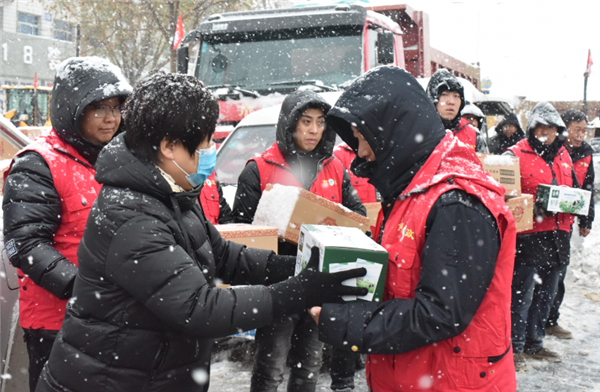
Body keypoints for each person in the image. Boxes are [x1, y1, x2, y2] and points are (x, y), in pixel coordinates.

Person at [34, 72, 367, 392]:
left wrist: (296, 267)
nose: (210, 151)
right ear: (168, 147)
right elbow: (200, 308)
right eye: (206, 141)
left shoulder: (171, 191)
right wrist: (296, 291)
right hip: (113, 380)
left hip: (152, 374)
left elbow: (223, 254)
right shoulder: (132, 215)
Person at [313, 66, 517, 391]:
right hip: (413, 376)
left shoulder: (456, 202)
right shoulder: (410, 191)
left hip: (449, 381)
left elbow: (439, 312)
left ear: (394, 132)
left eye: (365, 140)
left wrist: (345, 322)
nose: (361, 153)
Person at [2, 57, 132, 392]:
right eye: (99, 107)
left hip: (114, 321)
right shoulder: (37, 165)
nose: (111, 118)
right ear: (73, 108)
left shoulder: (115, 159)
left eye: (116, 107)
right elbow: (25, 245)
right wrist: (84, 288)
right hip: (57, 326)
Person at [232, 89, 366, 392]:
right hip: (278, 283)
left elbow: (357, 216)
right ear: (289, 124)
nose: (314, 130)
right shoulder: (259, 169)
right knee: (271, 367)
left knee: (310, 365)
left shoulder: (335, 167)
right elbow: (239, 231)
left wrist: (328, 221)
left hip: (321, 284)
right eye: (306, 121)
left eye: (320, 122)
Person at [504, 102, 575, 370]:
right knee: (521, 295)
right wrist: (533, 207)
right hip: (529, 238)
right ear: (532, 128)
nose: (547, 132)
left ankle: (535, 343)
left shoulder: (564, 155)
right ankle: (515, 346)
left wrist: (575, 204)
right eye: (541, 127)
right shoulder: (513, 155)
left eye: (552, 128)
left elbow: (575, 190)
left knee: (547, 294)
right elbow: (504, 197)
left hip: (558, 237)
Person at [545, 109, 595, 339]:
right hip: (544, 221)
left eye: (584, 130)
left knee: (559, 273)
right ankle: (535, 322)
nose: (581, 135)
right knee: (539, 274)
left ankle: (551, 319)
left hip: (567, 222)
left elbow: (587, 189)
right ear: (564, 129)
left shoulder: (586, 153)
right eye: (577, 130)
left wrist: (587, 219)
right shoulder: (552, 150)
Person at [426, 68, 489, 153]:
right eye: (444, 95)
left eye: (456, 96)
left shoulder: (474, 135)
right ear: (432, 99)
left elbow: (483, 165)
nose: (451, 102)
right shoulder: (417, 132)